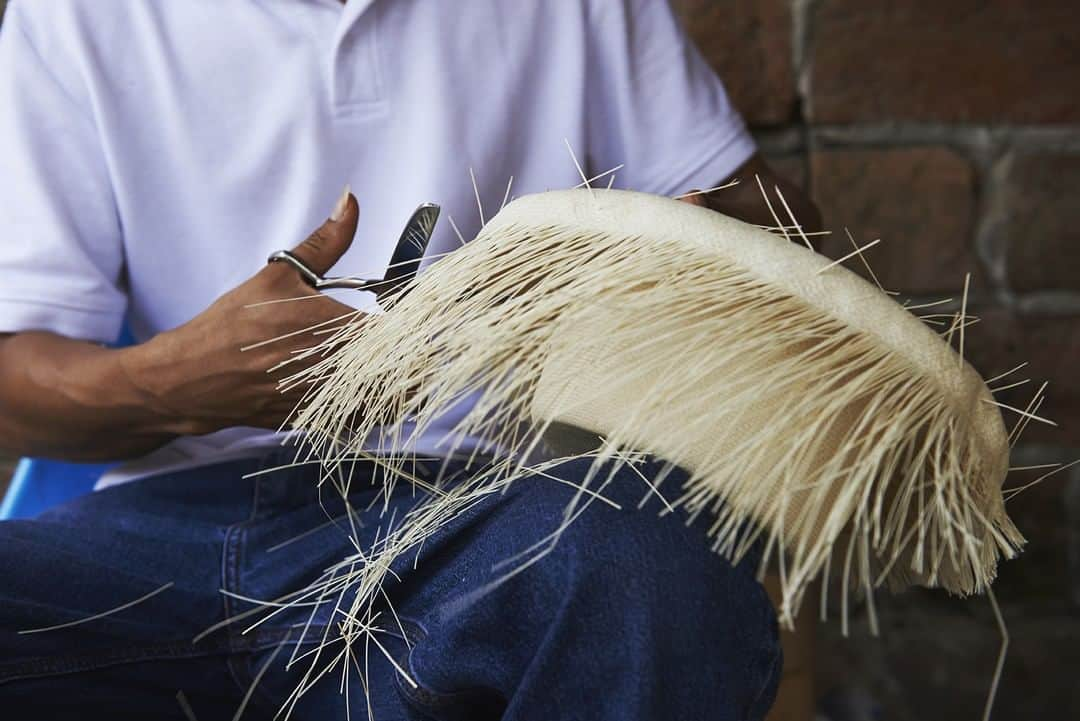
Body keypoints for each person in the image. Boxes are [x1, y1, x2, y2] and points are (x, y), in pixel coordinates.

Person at [0, 1, 820, 719]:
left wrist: (669, 247)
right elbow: (14, 390)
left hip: (476, 529)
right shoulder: (75, 14)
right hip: (166, 534)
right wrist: (177, 382)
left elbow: (797, 246)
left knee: (647, 575)